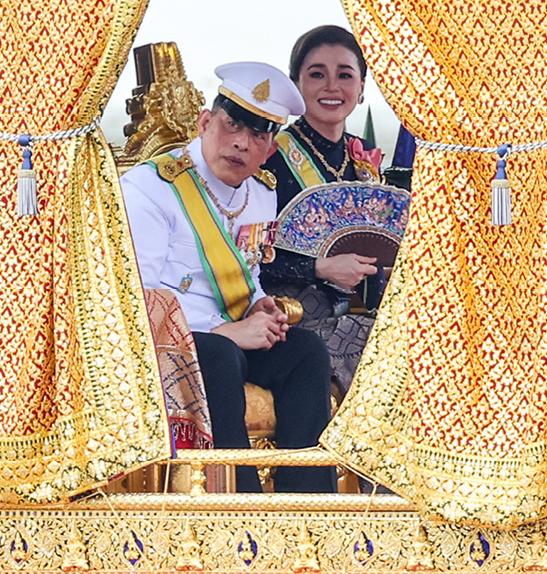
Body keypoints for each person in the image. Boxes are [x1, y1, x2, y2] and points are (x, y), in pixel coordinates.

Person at [121, 61, 336, 493]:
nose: (240, 143)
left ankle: (309, 505)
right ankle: (240, 506)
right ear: (205, 122)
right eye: (231, 124)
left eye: (258, 135)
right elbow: (138, 296)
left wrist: (259, 304)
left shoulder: (262, 190)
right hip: (170, 342)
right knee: (219, 356)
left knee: (306, 351)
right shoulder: (150, 187)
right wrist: (229, 331)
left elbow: (248, 269)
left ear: (270, 149)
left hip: (234, 334)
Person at [260, 25, 390, 401]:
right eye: (317, 74)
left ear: (362, 87)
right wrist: (319, 267)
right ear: (295, 85)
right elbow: (242, 256)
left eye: (345, 75)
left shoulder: (364, 158)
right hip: (290, 308)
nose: (331, 86)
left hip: (361, 305)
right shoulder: (268, 156)